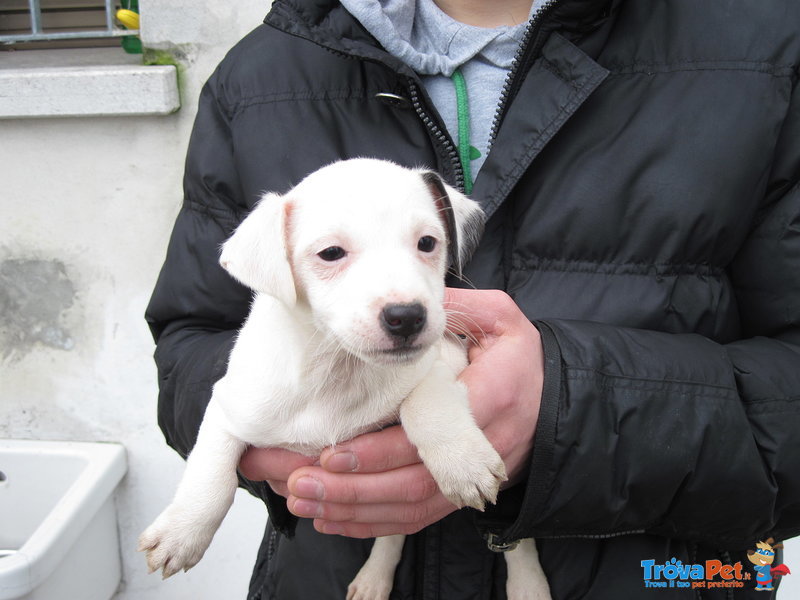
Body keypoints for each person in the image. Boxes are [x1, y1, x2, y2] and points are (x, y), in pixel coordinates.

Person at [144, 0, 800, 598]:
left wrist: (575, 414)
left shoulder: (767, 44)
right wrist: (274, 451)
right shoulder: (260, 76)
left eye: (428, 245)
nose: (402, 295)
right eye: (333, 255)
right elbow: (193, 344)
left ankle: (521, 555)